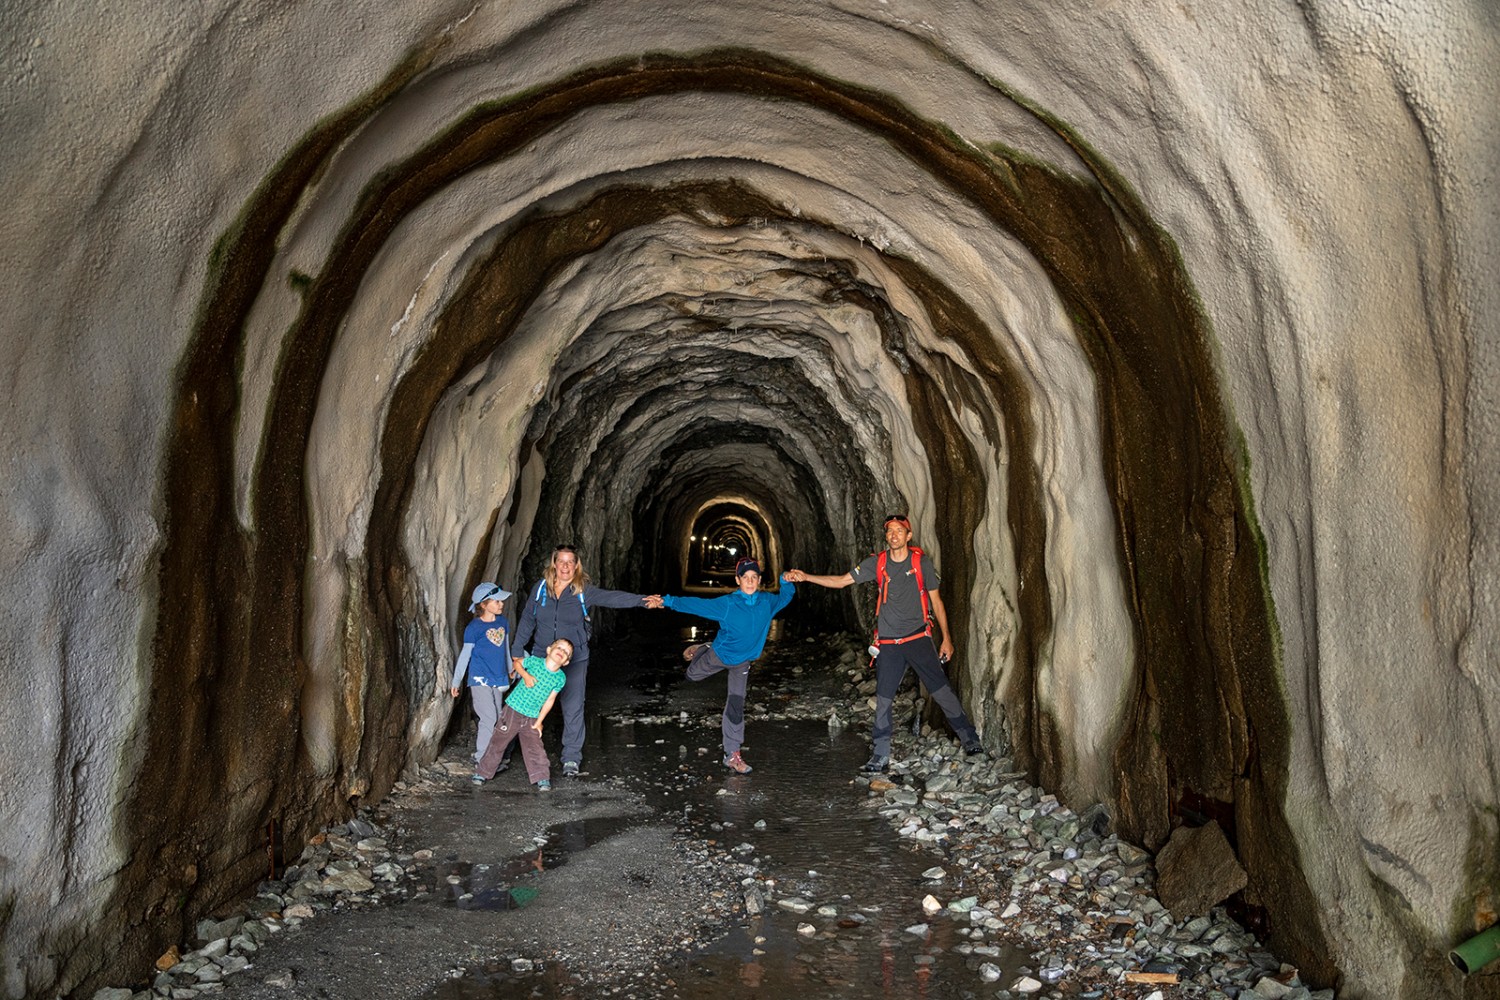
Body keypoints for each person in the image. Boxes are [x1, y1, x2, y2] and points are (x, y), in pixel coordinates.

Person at [785, 514, 982, 772]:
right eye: (890, 531)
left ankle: (970, 740)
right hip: (888, 643)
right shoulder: (876, 564)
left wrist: (947, 638)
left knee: (941, 690)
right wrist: (807, 577)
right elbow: (842, 581)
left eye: (899, 531)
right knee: (884, 698)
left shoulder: (920, 563)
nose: (894, 535)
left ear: (908, 536)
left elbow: (937, 602)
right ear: (886, 536)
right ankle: (879, 756)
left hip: (917, 638)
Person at [511, 544, 653, 777]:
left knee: (573, 707)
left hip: (573, 657)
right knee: (526, 703)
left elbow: (612, 598)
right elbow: (528, 619)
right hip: (541, 657)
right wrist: (517, 650)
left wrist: (642, 600)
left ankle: (571, 758)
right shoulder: (540, 590)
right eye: (561, 561)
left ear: (577, 566)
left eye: (570, 562)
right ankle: (507, 748)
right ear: (554, 563)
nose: (565, 566)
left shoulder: (583, 591)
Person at [646, 558, 796, 774]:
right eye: (746, 578)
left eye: (754, 577)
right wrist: (666, 601)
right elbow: (696, 605)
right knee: (692, 676)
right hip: (720, 655)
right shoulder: (727, 604)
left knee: (736, 703)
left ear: (760, 580)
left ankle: (732, 754)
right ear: (738, 580)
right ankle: (702, 649)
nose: (750, 581)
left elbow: (785, 596)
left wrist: (785, 580)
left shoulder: (766, 602)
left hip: (742, 662)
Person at [472, 638, 574, 791]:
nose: (562, 651)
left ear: (566, 662)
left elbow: (550, 700)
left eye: (566, 652)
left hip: (532, 716)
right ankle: (483, 772)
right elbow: (517, 663)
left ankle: (542, 777)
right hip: (513, 709)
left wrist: (539, 721)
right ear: (549, 650)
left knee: (535, 747)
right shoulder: (534, 662)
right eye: (559, 647)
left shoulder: (560, 678)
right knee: (498, 741)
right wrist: (525, 676)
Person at [447, 582, 515, 764]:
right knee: (489, 717)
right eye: (497, 601)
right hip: (479, 679)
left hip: (498, 677)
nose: (501, 604)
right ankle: (482, 758)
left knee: (498, 717)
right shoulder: (473, 628)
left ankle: (495, 757)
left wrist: (510, 668)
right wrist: (456, 681)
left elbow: (505, 649)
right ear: (483, 605)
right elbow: (464, 656)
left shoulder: (503, 622)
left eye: (501, 601)